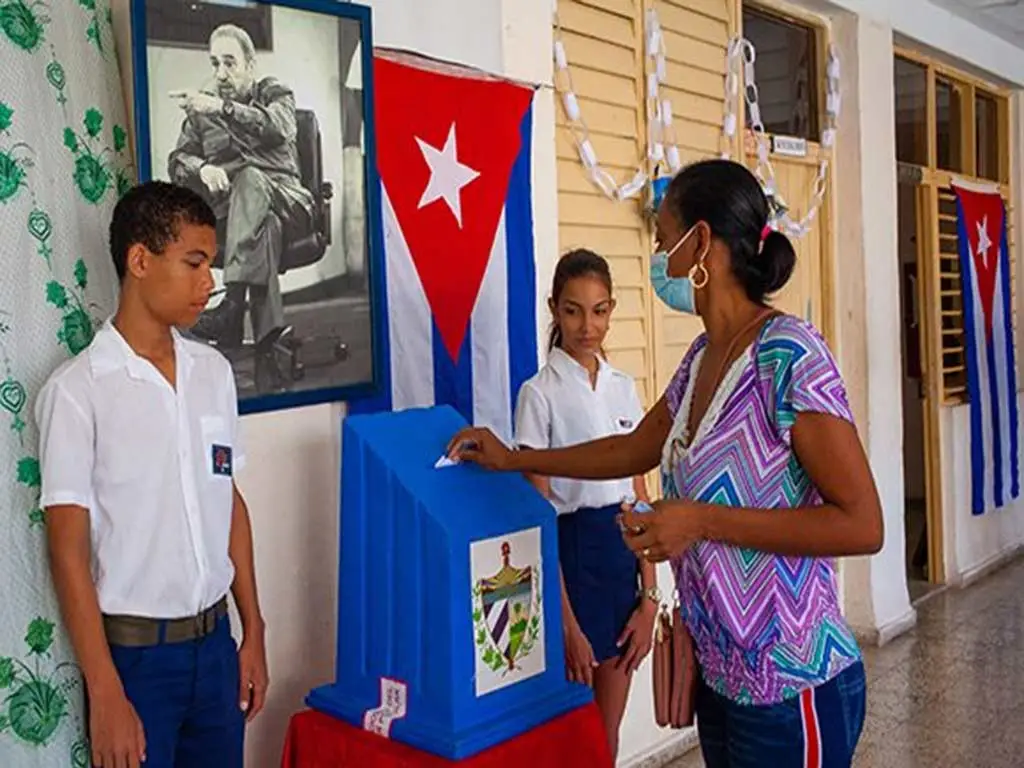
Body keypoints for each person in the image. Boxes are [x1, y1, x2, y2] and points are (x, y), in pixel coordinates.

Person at [447, 159, 883, 767]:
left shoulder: (789, 355)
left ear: (700, 242)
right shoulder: (704, 358)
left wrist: (699, 521)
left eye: (663, 240)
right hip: (722, 677)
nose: (659, 259)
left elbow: (863, 525)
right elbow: (631, 447)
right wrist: (514, 457)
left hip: (793, 681)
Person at [35, 181, 269, 768]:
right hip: (137, 664)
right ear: (140, 260)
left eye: (210, 264)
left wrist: (254, 630)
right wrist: (105, 690)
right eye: (193, 262)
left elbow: (229, 501)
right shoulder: (77, 393)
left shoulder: (213, 373)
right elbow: (66, 551)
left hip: (216, 650)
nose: (208, 282)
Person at [515, 249, 657, 759]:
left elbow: (638, 498)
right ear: (555, 309)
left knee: (606, 737)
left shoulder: (624, 388)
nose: (587, 325)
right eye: (573, 310)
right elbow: (537, 518)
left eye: (599, 310)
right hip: (570, 565)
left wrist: (650, 599)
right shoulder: (539, 394)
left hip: (621, 564)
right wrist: (567, 626)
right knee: (571, 740)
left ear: (612, 309)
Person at [167, 22, 314, 349]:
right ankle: (267, 338)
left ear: (250, 65)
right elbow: (177, 160)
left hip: (290, 202)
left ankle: (232, 304)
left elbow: (279, 127)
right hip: (239, 214)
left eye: (230, 63)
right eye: (215, 63)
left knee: (250, 178)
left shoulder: (275, 93)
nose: (221, 74)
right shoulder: (201, 113)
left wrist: (223, 108)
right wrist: (202, 167)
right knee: (265, 226)